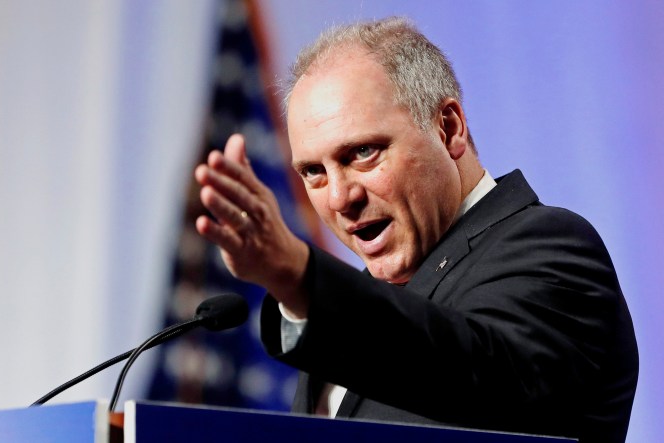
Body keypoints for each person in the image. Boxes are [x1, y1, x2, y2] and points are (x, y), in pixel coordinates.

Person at [193, 17, 637, 443]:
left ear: (448, 128)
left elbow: (474, 376)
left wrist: (298, 276)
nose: (340, 197)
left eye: (362, 152)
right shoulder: (356, 301)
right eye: (313, 171)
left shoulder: (549, 245)